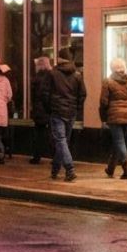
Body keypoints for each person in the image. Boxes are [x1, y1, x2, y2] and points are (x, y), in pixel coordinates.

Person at [38, 46, 86, 182]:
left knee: (60, 140)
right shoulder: (77, 75)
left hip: (57, 112)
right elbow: (82, 94)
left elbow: (44, 93)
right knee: (63, 141)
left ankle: (69, 169)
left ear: (59, 59)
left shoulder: (52, 74)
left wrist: (49, 108)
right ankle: (55, 169)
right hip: (71, 112)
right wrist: (76, 108)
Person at [100, 58, 127, 179]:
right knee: (119, 142)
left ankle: (126, 169)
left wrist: (104, 115)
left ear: (112, 68)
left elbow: (103, 101)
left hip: (114, 116)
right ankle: (110, 168)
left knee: (119, 141)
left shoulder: (108, 82)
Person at [30, 56, 53, 164]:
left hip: (39, 109)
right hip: (51, 108)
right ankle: (55, 157)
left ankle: (36, 157)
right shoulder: (53, 75)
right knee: (52, 134)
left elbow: (34, 95)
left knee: (38, 134)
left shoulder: (37, 77)